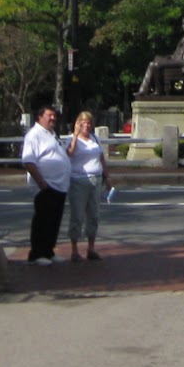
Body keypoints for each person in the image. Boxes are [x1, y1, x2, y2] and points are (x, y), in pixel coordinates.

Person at [20, 105, 70, 265]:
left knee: (54, 221)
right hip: (46, 185)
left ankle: (49, 251)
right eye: (49, 115)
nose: (53, 118)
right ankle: (37, 254)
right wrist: (41, 182)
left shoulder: (52, 134)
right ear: (40, 117)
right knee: (43, 220)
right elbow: (28, 161)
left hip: (60, 185)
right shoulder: (34, 135)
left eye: (54, 115)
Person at [65, 110, 108, 261]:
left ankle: (91, 248)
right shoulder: (72, 139)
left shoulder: (94, 138)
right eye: (83, 123)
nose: (86, 126)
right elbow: (69, 153)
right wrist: (75, 135)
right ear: (78, 123)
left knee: (94, 215)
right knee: (77, 215)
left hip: (96, 180)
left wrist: (107, 177)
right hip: (78, 180)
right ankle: (74, 250)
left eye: (88, 123)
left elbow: (101, 158)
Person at [137, 17, 184, 96]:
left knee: (156, 64)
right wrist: (168, 57)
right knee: (153, 63)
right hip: (175, 59)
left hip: (182, 62)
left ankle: (153, 90)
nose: (182, 26)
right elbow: (177, 53)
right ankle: (149, 90)